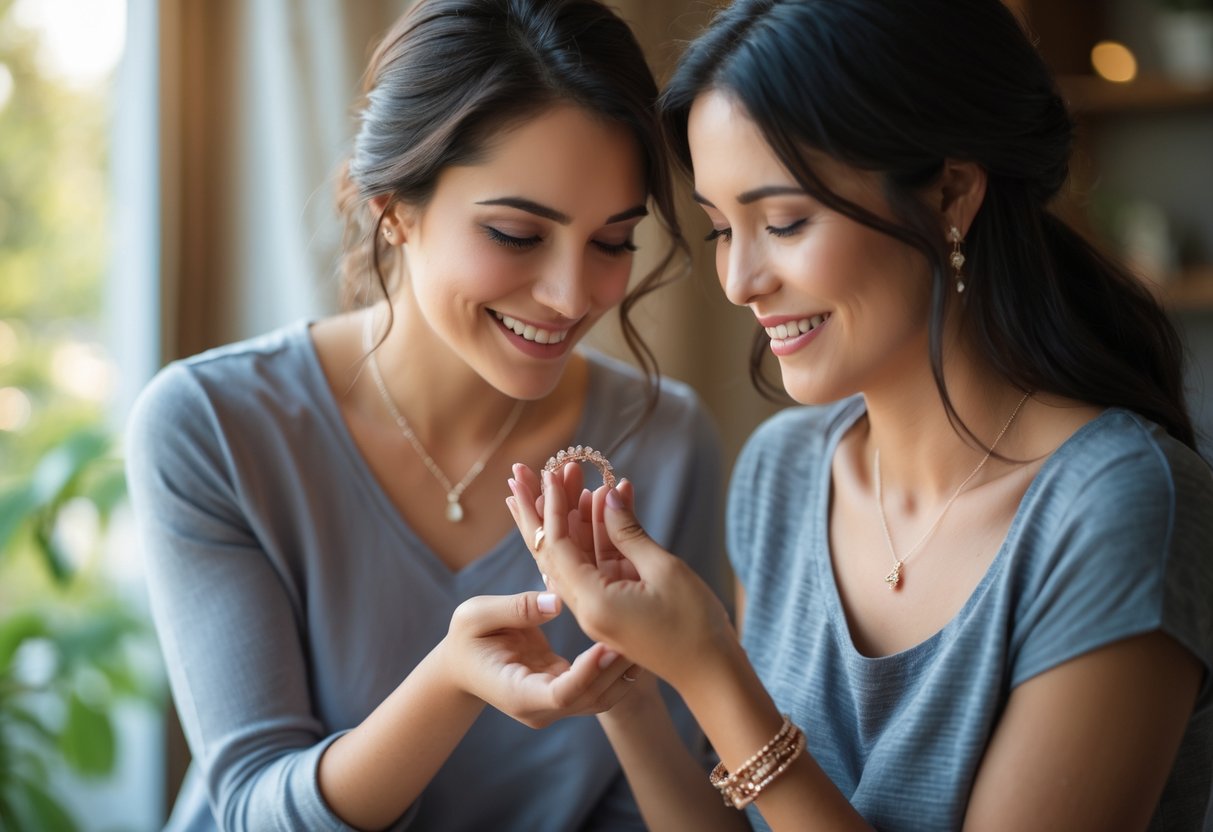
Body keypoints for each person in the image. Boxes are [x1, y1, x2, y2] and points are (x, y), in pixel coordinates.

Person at [510, 1, 1213, 829]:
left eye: (782, 222)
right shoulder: (784, 470)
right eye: (719, 231)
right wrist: (628, 686)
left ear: (950, 193)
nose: (739, 281)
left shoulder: (1118, 508)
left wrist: (709, 671)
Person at [124, 0, 724, 829]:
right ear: (393, 209)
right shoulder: (213, 426)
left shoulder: (666, 442)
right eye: (517, 234)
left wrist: (631, 698)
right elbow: (253, 809)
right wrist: (449, 682)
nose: (570, 295)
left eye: (613, 242)